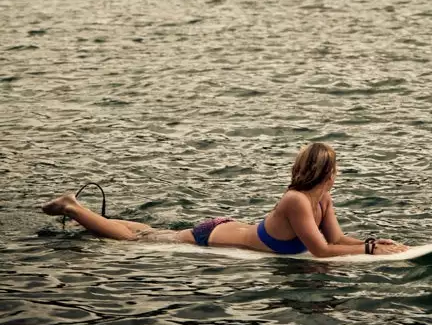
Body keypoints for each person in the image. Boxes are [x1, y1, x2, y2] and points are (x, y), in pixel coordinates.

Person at [42, 141, 408, 257]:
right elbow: (320, 251)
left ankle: (78, 204)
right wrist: (369, 251)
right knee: (131, 240)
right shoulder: (296, 200)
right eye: (337, 167)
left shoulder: (324, 200)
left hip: (229, 228)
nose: (338, 172)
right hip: (212, 235)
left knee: (149, 231)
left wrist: (373, 241)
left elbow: (338, 241)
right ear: (328, 172)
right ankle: (71, 206)